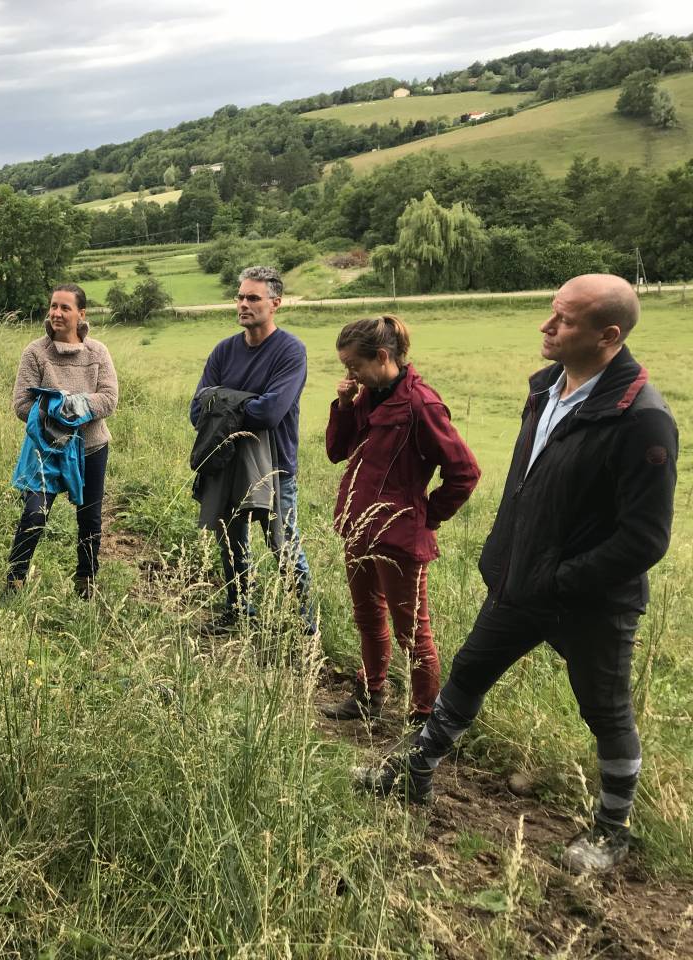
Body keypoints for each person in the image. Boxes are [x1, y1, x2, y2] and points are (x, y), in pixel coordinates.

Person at [357, 275, 678, 876]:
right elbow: (524, 488)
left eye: (564, 319)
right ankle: (413, 772)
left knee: (605, 710)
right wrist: (501, 558)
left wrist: (559, 580)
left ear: (608, 335)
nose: (546, 326)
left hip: (591, 601)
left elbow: (645, 539)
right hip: (520, 581)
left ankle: (612, 833)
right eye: (551, 313)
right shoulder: (547, 391)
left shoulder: (643, 420)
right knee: (471, 669)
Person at [321, 316, 480, 725]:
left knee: (413, 634)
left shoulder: (420, 403)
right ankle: (370, 696)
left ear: (382, 356)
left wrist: (426, 516)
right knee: (367, 617)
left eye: (354, 365)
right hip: (358, 527)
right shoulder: (368, 396)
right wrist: (342, 405)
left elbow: (464, 472)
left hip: (399, 538)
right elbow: (337, 452)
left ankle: (423, 718)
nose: (349, 374)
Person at [190, 266, 314, 633]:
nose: (243, 304)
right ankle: (239, 611)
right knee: (230, 542)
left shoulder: (290, 351)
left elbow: (271, 412)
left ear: (275, 303)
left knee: (283, 546)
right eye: (240, 297)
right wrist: (245, 402)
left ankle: (306, 626)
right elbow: (198, 410)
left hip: (274, 467)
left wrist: (224, 402)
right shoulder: (224, 351)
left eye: (253, 298)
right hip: (224, 460)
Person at [7, 284, 118, 598]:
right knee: (35, 514)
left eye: (65, 307)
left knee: (90, 519)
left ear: (81, 314)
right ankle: (14, 582)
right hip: (46, 448)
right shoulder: (35, 352)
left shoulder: (98, 352)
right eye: (53, 306)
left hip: (92, 448)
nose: (56, 313)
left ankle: (85, 586)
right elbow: (21, 404)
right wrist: (56, 416)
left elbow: (109, 399)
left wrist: (70, 406)